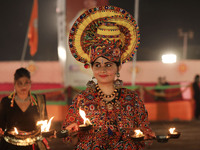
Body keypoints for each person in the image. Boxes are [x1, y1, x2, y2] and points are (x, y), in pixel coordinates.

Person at [62, 6, 155, 149]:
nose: (103, 70)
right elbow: (68, 138)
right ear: (91, 67)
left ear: (119, 67)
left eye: (108, 65)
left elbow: (146, 137)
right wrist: (72, 133)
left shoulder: (133, 100)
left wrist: (143, 134)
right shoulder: (81, 99)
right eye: (97, 65)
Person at [0, 67, 50, 150]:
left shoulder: (39, 100)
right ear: (14, 83)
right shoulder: (6, 102)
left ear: (30, 83)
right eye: (20, 83)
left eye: (26, 82)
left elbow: (45, 122)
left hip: (33, 146)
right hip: (10, 146)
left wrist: (49, 134)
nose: (23, 86)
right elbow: (1, 124)